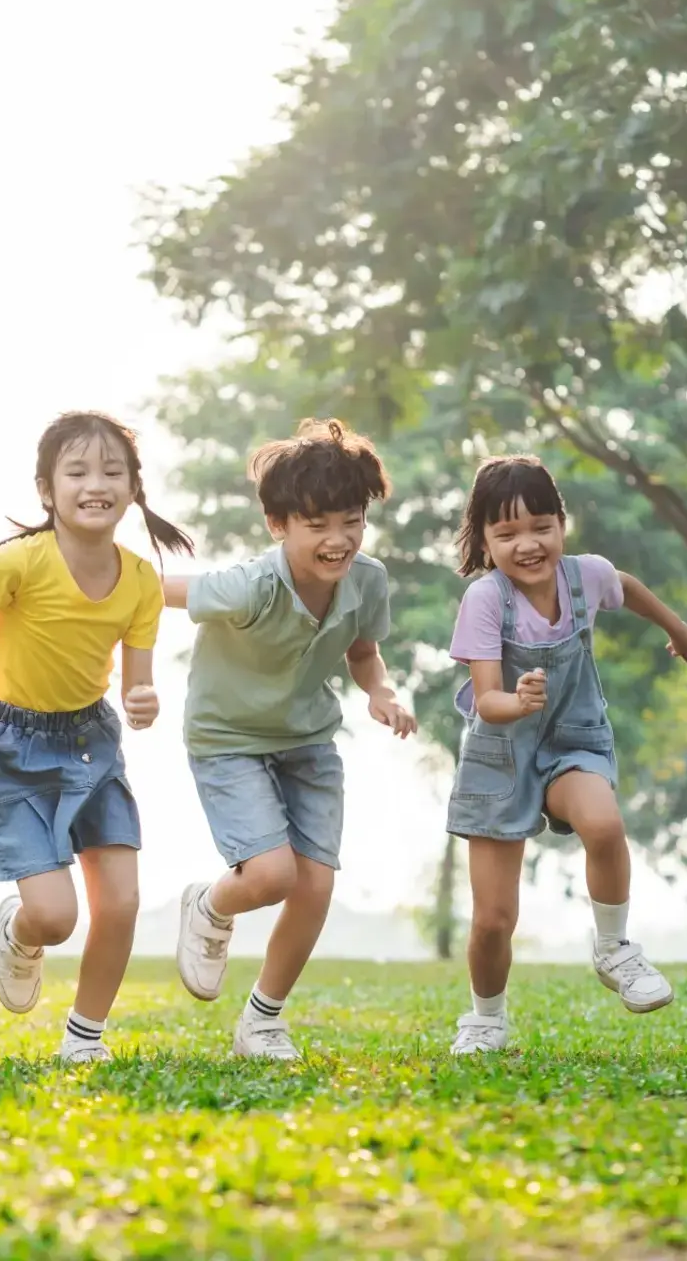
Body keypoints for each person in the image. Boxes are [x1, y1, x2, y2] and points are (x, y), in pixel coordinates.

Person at [0, 411, 191, 1064]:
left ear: (133, 487)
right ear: (47, 490)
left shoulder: (139, 581)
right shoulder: (17, 562)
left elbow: (136, 688)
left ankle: (85, 1036)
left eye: (111, 472)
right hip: (13, 747)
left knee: (122, 900)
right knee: (54, 917)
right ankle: (20, 934)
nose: (95, 484)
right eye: (77, 472)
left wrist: (144, 701)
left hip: (91, 742)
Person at [169, 418, 417, 1061]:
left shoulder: (367, 580)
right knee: (271, 875)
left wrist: (380, 691)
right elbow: (162, 590)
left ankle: (263, 1021)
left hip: (308, 740)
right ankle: (211, 905)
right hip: (227, 738)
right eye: (318, 524)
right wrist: (81, 583)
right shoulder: (250, 584)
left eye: (352, 520)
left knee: (314, 886)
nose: (339, 540)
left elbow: (364, 651)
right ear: (279, 524)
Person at [444, 455, 687, 1055]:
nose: (527, 545)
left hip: (573, 739)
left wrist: (676, 626)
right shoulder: (485, 600)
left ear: (562, 522)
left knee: (604, 824)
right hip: (500, 755)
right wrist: (519, 698)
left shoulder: (585, 577)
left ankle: (614, 949)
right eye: (506, 534)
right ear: (483, 540)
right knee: (492, 920)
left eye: (541, 527)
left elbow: (627, 587)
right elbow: (486, 700)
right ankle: (486, 1018)